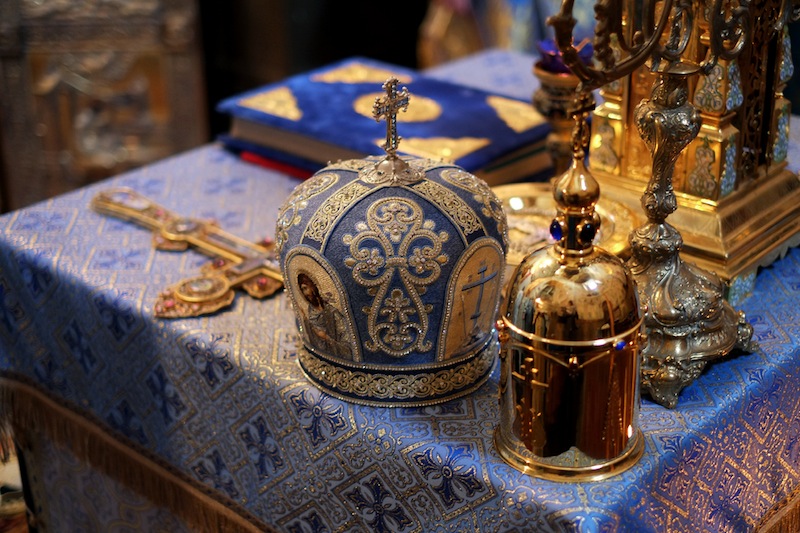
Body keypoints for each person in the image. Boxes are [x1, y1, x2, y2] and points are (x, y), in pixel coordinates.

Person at [297, 272, 352, 359]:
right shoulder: (310, 313)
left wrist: (326, 338)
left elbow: (347, 343)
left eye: (305, 288)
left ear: (313, 286)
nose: (305, 293)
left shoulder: (332, 312)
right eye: (302, 290)